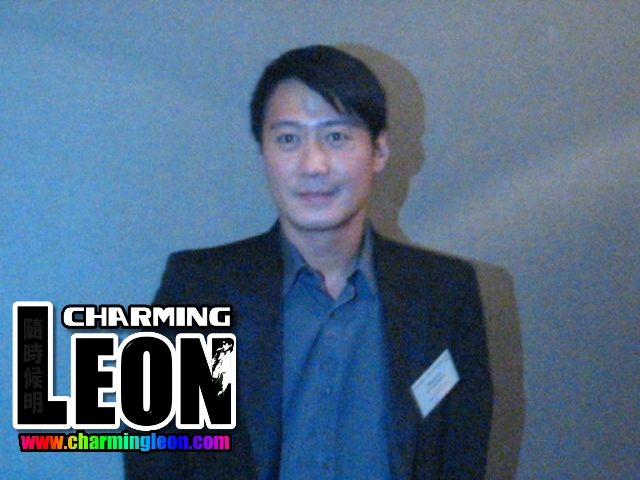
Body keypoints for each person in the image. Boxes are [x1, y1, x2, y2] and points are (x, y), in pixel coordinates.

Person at [125, 45, 492, 479]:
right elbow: (155, 457)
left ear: (379, 150)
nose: (313, 165)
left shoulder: (444, 293)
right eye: (288, 139)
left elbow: (462, 457)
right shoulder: (200, 288)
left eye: (336, 137)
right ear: (263, 152)